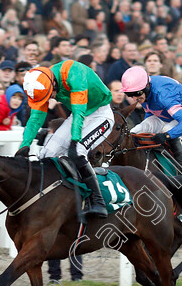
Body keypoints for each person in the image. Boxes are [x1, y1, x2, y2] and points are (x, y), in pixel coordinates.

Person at [21, 60, 114, 217]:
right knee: (47, 153)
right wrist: (25, 146)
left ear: (53, 84)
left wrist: (74, 139)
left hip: (100, 114)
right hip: (78, 114)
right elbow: (35, 119)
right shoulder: (42, 81)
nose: (50, 99)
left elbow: (79, 112)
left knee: (77, 151)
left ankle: (98, 201)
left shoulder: (74, 73)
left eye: (49, 96)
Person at [121, 66, 182, 177]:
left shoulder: (164, 96)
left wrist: (166, 136)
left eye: (137, 93)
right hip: (164, 116)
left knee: (167, 130)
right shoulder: (142, 90)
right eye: (130, 95)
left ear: (147, 87)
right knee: (135, 131)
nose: (134, 98)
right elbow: (150, 113)